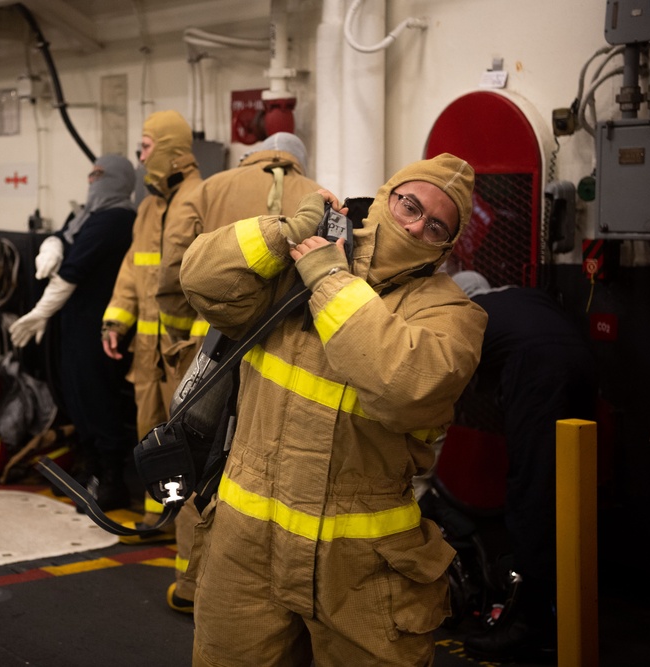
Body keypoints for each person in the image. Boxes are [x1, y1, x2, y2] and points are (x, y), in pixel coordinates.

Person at [178, 154, 487, 665]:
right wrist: (283, 233)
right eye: (409, 204)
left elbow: (406, 384)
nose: (415, 224)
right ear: (387, 195)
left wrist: (327, 280)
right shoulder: (299, 257)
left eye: (436, 225)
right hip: (245, 550)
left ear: (446, 247)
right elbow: (201, 279)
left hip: (362, 571)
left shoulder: (451, 313)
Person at [155, 132, 323, 613]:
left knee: (196, 451)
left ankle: (192, 584)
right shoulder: (318, 190)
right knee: (260, 464)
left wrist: (175, 333)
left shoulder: (212, 188)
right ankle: (261, 593)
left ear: (255, 154)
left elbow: (173, 266)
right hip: (283, 355)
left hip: (209, 347)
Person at [451, 270, 597, 663]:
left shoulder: (469, 311)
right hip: (583, 361)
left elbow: (453, 383)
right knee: (570, 488)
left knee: (532, 491)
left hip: (538, 369)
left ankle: (533, 627)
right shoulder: (524, 297)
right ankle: (572, 609)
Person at [8, 155, 137, 510]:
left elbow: (73, 272)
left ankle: (111, 481)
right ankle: (91, 468)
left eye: (101, 175)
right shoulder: (88, 215)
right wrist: (52, 245)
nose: (93, 180)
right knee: (77, 399)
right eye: (91, 173)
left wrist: (39, 314)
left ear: (120, 180)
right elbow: (64, 236)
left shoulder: (116, 219)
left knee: (97, 399)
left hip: (99, 328)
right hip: (75, 326)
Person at [100, 110, 203, 529]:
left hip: (185, 353)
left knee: (184, 442)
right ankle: (156, 512)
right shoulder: (147, 210)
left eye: (145, 147)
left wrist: (200, 345)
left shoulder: (203, 199)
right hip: (148, 353)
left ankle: (185, 525)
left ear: (169, 151)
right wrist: (114, 322)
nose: (141, 158)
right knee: (150, 435)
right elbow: (131, 270)